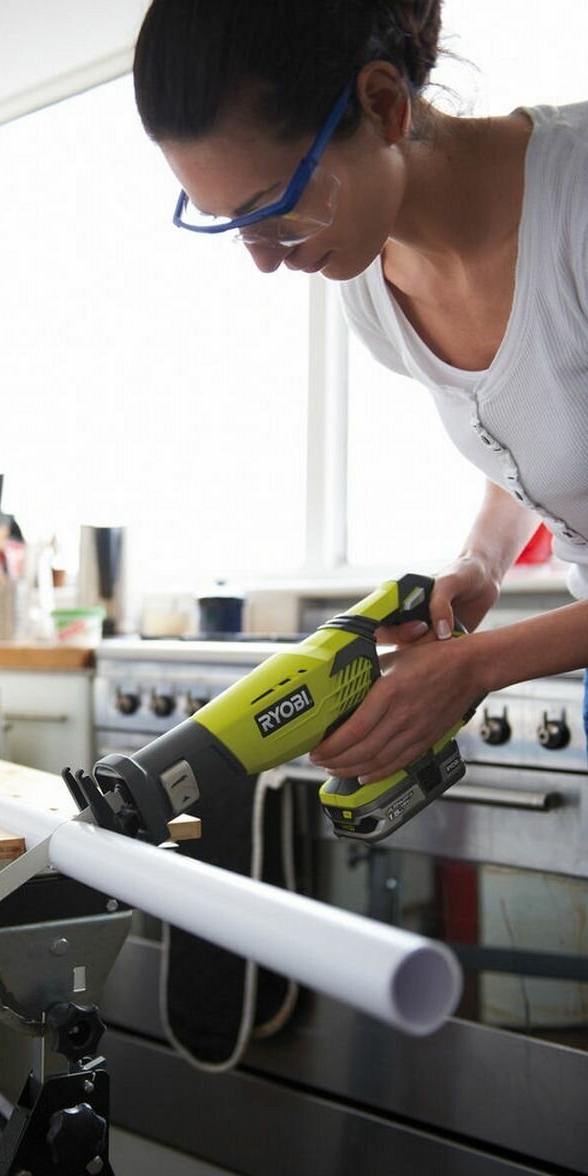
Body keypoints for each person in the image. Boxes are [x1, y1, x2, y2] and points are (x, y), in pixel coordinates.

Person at [132, 0, 588, 782]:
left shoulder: (575, 207)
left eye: (275, 208)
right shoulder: (371, 291)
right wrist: (482, 560)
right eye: (230, 223)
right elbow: (540, 419)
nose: (264, 259)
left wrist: (477, 664)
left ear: (382, 105)